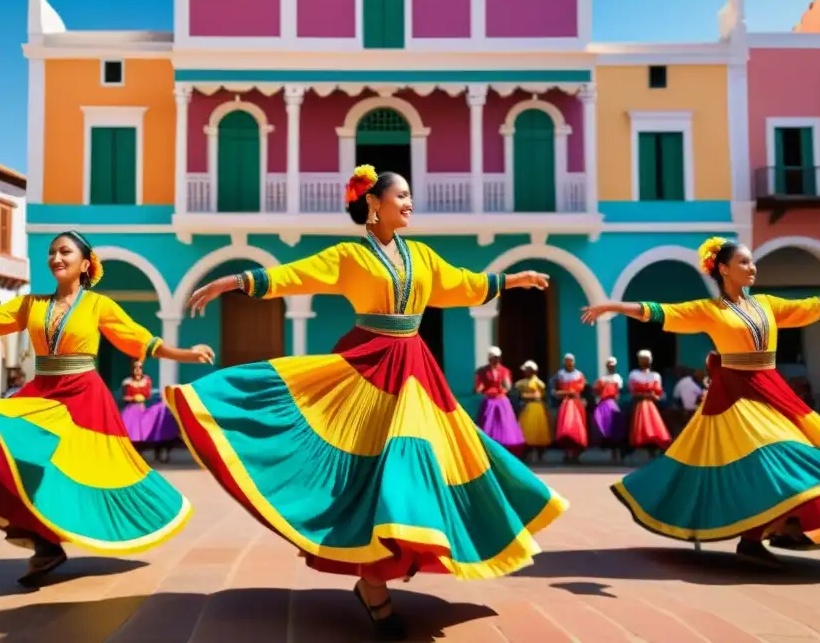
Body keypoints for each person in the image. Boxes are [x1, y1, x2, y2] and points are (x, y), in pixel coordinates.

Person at [168, 166, 567, 641]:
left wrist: (511, 280)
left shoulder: (421, 256)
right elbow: (292, 276)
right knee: (371, 471)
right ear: (375, 203)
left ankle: (399, 555)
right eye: (402, 195)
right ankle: (375, 583)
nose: (411, 202)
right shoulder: (349, 256)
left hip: (416, 372)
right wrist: (231, 282)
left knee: (427, 462)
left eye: (411, 195)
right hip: (366, 365)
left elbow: (464, 284)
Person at [0, 231, 213, 586]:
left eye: (64, 252)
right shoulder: (32, 304)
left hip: (84, 397)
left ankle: (69, 537)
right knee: (10, 447)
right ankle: (45, 544)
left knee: (84, 471)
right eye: (51, 252)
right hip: (41, 392)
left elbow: (138, 339)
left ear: (85, 263)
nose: (56, 258)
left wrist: (185, 354)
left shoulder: (98, 306)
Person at [581, 236, 820, 566]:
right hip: (735, 397)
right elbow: (661, 312)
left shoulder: (768, 305)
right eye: (744, 262)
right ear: (723, 269)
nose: (752, 267)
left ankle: (772, 529)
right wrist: (613, 306)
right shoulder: (709, 311)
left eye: (752, 261)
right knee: (774, 450)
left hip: (774, 391)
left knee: (817, 447)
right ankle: (772, 526)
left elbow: (815, 305)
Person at [121, 360, 180, 463]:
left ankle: (161, 452)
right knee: (132, 429)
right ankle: (136, 454)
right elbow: (124, 397)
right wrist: (133, 398)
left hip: (145, 408)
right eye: (135, 367)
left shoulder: (147, 380)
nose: (138, 370)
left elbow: (149, 395)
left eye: (140, 367)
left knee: (162, 421)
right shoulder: (127, 382)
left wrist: (145, 399)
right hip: (132, 408)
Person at [474, 346, 526, 456]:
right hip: (489, 402)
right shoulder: (483, 371)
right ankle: (489, 451)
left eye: (497, 358)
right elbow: (479, 386)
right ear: (489, 358)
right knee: (488, 426)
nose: (496, 360)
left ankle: (505, 451)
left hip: (501, 401)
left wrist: (502, 390)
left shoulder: (504, 371)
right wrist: (482, 389)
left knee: (505, 426)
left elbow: (508, 386)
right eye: (493, 358)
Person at [627, 350, 671, 455]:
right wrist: (645, 395)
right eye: (642, 359)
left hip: (652, 405)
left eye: (646, 359)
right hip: (639, 404)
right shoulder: (634, 374)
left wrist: (654, 396)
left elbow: (659, 394)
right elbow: (632, 391)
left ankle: (654, 449)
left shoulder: (655, 376)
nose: (644, 361)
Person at [514, 360, 553, 462]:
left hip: (537, 407)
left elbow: (541, 394)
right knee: (526, 429)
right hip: (526, 407)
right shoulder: (521, 383)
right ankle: (526, 452)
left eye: (528, 370)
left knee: (538, 429)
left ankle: (540, 452)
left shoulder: (538, 383)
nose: (526, 372)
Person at [553, 354, 587, 462]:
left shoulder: (579, 375)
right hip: (565, 404)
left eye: (571, 361)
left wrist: (566, 392)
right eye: (567, 361)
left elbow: (579, 390)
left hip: (577, 405)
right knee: (565, 428)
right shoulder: (560, 375)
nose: (569, 363)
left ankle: (576, 454)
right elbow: (555, 390)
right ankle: (567, 453)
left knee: (578, 428)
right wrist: (566, 393)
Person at [592, 357, 626, 462]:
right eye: (609, 365)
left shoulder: (617, 378)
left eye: (612, 365)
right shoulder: (602, 379)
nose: (611, 367)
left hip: (613, 404)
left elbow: (619, 391)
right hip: (603, 405)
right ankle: (612, 452)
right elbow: (596, 391)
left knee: (616, 428)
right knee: (605, 427)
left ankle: (617, 452)